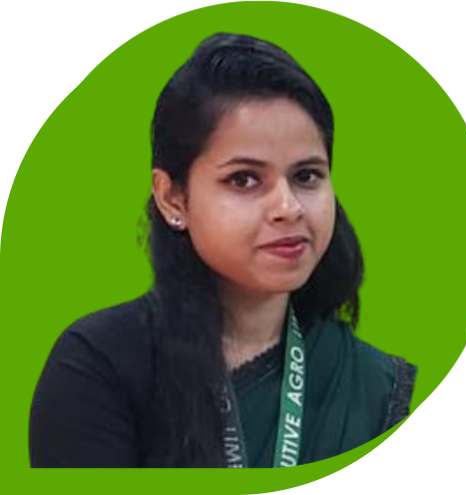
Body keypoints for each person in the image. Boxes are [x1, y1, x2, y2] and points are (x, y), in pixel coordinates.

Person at [29, 33, 417, 468]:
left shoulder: (374, 384)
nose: (288, 207)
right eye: (244, 179)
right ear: (172, 198)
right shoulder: (98, 366)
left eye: (306, 175)